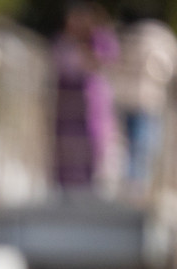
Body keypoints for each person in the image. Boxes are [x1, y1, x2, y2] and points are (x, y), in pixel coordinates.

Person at [111, 9, 177, 193]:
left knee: (129, 144)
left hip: (125, 96)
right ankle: (137, 187)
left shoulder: (128, 34)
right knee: (145, 146)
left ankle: (129, 184)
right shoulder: (161, 37)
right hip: (149, 100)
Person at [54, 2, 120, 190]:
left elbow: (108, 60)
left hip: (93, 113)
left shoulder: (100, 41)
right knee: (68, 155)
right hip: (68, 112)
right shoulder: (64, 43)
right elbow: (65, 65)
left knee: (95, 154)